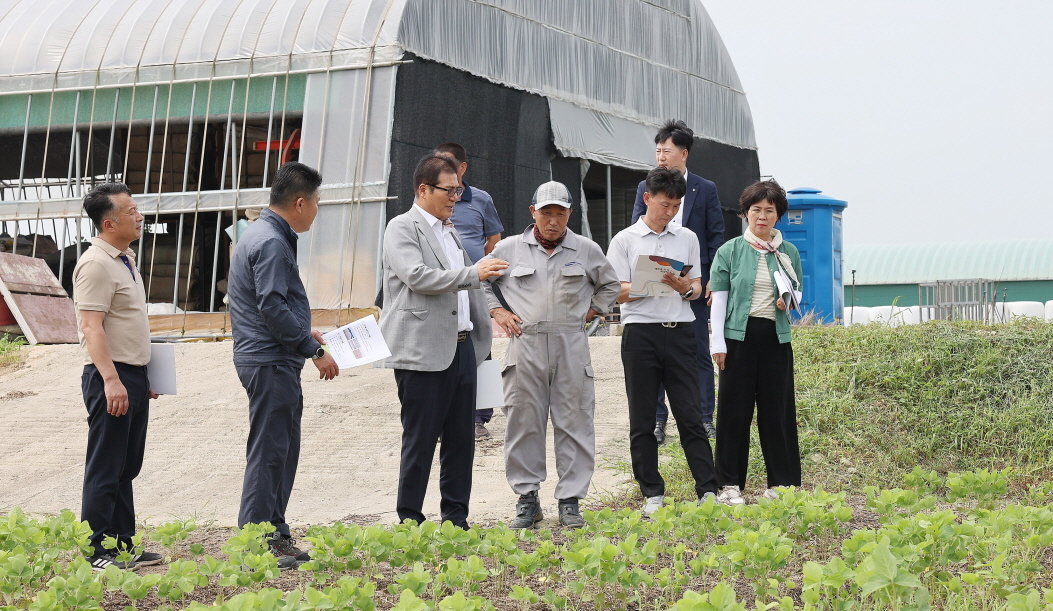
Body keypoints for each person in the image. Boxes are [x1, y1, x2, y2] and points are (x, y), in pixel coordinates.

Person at [377, 154, 508, 529]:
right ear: (423, 189)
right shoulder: (402, 228)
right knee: (420, 439)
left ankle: (456, 519)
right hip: (423, 351)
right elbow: (419, 277)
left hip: (464, 347)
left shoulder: (450, 230)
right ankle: (410, 520)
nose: (456, 197)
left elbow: (470, 284)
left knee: (460, 440)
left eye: (459, 190)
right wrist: (474, 271)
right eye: (449, 190)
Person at [482, 181, 619, 529]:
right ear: (533, 213)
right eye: (547, 213)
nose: (553, 220)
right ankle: (527, 500)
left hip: (571, 345)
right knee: (522, 423)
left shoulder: (586, 249)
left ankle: (570, 501)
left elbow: (610, 284)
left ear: (569, 214)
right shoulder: (509, 248)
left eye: (560, 213)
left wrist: (593, 311)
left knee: (574, 422)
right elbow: (479, 280)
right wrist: (498, 312)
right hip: (524, 344)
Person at [227, 162, 340, 569]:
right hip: (269, 360)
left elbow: (276, 304)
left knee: (281, 448)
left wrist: (308, 336)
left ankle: (275, 532)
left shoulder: (266, 234)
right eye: (317, 203)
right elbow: (271, 305)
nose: (317, 210)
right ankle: (257, 541)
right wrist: (313, 351)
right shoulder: (271, 241)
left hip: (273, 357)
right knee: (270, 451)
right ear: (299, 202)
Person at [608, 167, 718, 515]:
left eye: (675, 206)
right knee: (642, 417)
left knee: (690, 414)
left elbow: (697, 286)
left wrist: (685, 287)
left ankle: (707, 489)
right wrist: (651, 282)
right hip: (641, 333)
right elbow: (615, 293)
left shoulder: (686, 237)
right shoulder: (625, 239)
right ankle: (652, 492)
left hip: (681, 331)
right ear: (647, 199)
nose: (669, 212)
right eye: (664, 205)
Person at [73, 183, 163, 571]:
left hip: (132, 375)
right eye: (130, 211)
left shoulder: (124, 260)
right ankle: (96, 551)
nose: (138, 216)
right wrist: (112, 380)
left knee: (127, 465)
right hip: (110, 376)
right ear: (109, 223)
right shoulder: (95, 264)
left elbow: (127, 325)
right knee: (106, 465)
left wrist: (143, 377)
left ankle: (123, 544)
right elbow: (92, 328)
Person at [630, 120, 725, 444]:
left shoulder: (705, 188)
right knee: (653, 356)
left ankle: (703, 418)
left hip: (692, 282)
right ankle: (658, 422)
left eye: (666, 151)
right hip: (654, 279)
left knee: (698, 353)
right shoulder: (646, 188)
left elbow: (716, 236)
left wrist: (711, 280)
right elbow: (634, 231)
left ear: (683, 153)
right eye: (657, 150)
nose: (660, 156)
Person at [709, 179, 803, 505]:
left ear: (779, 216)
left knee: (776, 412)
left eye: (769, 210)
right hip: (738, 339)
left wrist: (786, 302)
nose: (762, 216)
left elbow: (797, 294)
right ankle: (729, 485)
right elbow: (719, 300)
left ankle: (783, 484)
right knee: (734, 413)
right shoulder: (730, 251)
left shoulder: (788, 252)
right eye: (756, 210)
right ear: (745, 213)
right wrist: (717, 343)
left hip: (776, 339)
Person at [433, 142, 505, 440]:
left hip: (476, 286)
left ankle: (480, 418)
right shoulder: (431, 199)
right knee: (445, 350)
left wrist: (478, 270)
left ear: (462, 168)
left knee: (483, 349)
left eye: (448, 164)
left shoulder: (481, 200)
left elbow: (493, 240)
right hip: (444, 286)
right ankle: (444, 415)